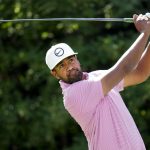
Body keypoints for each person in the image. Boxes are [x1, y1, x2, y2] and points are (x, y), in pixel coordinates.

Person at [45, 14, 150, 150]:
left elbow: (140, 73)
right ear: (54, 73)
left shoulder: (98, 76)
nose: (70, 67)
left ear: (77, 58)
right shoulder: (73, 95)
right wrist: (145, 32)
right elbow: (125, 67)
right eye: (61, 66)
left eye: (70, 60)